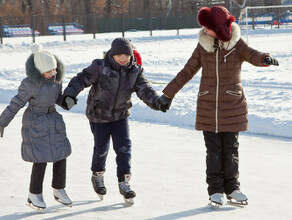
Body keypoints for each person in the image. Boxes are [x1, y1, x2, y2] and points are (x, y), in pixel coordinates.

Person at [156, 6, 279, 206]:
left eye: (208, 27)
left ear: (220, 28)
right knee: (213, 150)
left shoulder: (237, 44)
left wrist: (264, 58)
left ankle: (233, 188)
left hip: (232, 106)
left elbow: (252, 54)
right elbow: (187, 71)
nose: (204, 30)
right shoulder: (202, 46)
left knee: (231, 149)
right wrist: (168, 95)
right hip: (208, 107)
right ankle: (215, 190)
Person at [60, 37, 160, 204]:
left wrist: (157, 101)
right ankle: (97, 176)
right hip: (99, 116)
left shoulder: (135, 71)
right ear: (112, 54)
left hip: (120, 116)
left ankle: (124, 183)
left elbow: (145, 90)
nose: (122, 58)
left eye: (126, 55)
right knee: (101, 147)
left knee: (124, 148)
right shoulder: (100, 66)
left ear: (131, 55)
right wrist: (69, 94)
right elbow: (81, 79)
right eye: (119, 55)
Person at [0, 43, 72, 212]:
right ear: (40, 71)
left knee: (61, 155)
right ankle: (34, 194)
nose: (53, 73)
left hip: (53, 121)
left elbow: (57, 98)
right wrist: (2, 122)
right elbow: (15, 104)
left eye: (54, 69)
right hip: (36, 122)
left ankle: (59, 189)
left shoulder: (56, 81)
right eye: (49, 71)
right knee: (41, 159)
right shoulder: (30, 84)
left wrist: (65, 102)